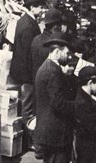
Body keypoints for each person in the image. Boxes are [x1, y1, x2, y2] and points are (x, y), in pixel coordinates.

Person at [9, 0, 47, 150]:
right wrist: (33, 77)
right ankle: (29, 141)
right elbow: (28, 55)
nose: (42, 9)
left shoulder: (23, 20)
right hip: (27, 75)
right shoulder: (29, 27)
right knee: (28, 107)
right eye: (39, 7)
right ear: (32, 7)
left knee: (25, 105)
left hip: (20, 71)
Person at [35, 33, 76, 163]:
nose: (69, 57)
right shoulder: (52, 72)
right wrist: (77, 107)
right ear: (57, 52)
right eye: (66, 53)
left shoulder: (49, 67)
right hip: (55, 131)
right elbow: (58, 103)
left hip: (49, 130)